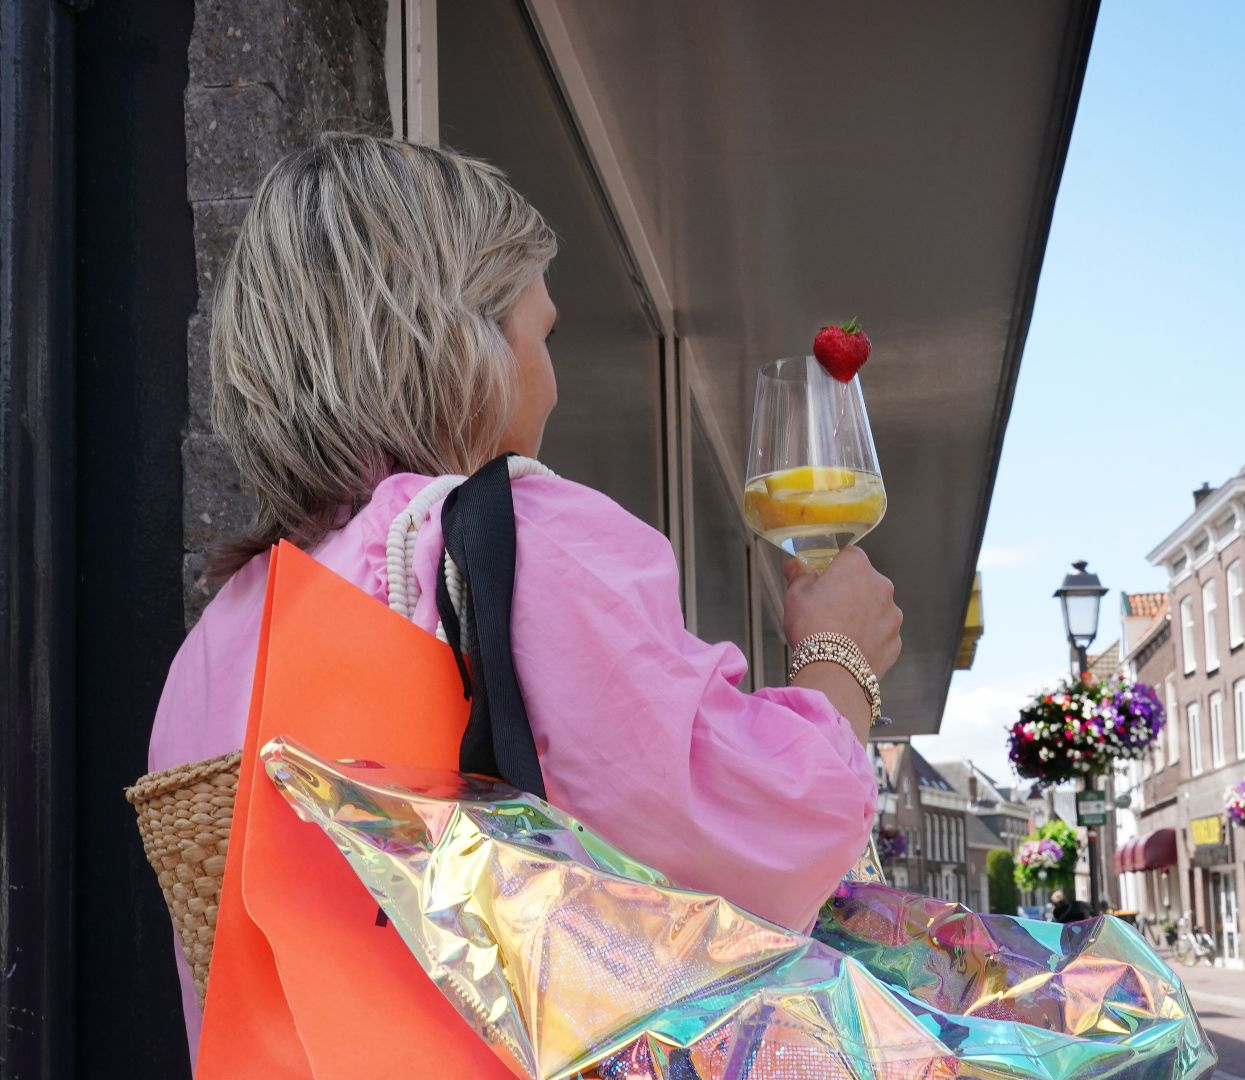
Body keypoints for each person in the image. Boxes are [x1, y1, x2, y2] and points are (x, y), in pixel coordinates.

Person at [147, 133, 902, 1058]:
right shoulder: (527, 543)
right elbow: (752, 839)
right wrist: (839, 663)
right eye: (543, 336)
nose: (553, 382)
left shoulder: (221, 638)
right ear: (461, 341)